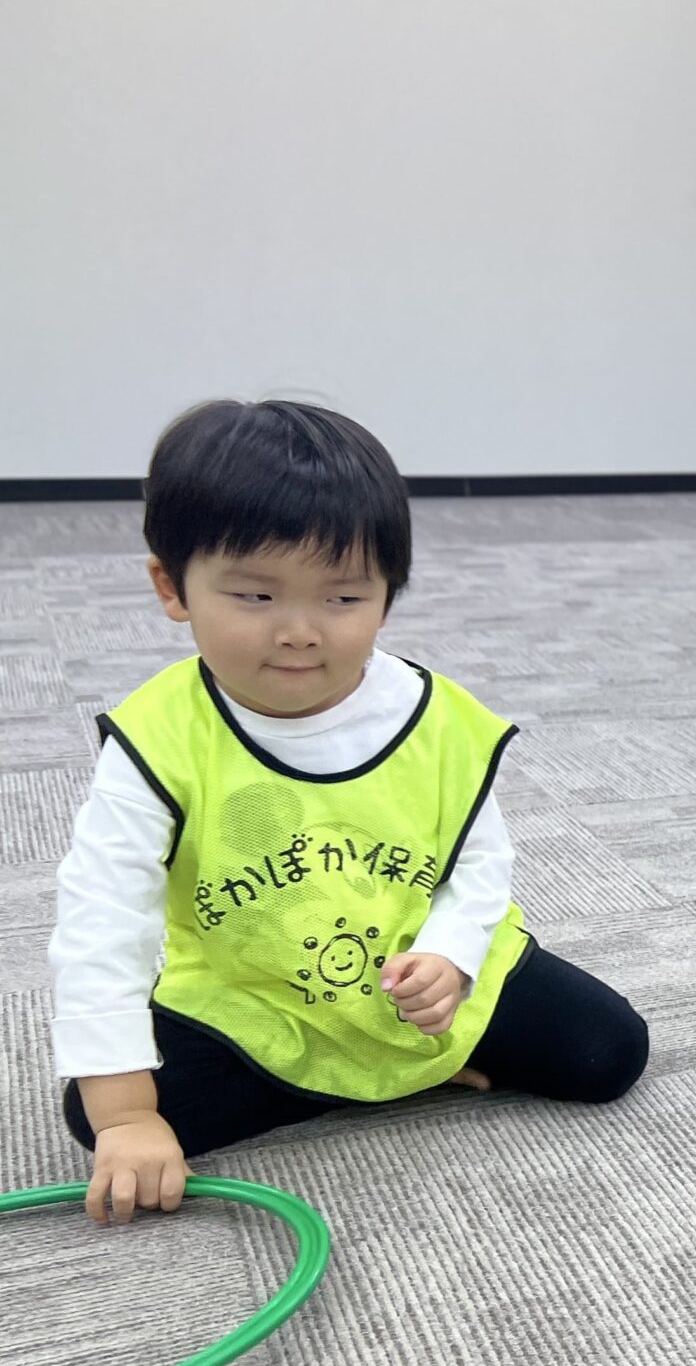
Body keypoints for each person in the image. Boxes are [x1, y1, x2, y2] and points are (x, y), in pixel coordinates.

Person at [50, 400, 650, 1223]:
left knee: (606, 1050)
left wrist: (451, 958)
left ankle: (387, 1065)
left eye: (343, 599)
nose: (300, 633)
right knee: (97, 1113)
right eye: (256, 595)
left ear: (388, 595)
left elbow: (478, 862)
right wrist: (126, 1116)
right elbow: (101, 921)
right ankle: (370, 1078)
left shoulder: (433, 715)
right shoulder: (155, 742)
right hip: (256, 996)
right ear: (171, 587)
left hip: (416, 983)